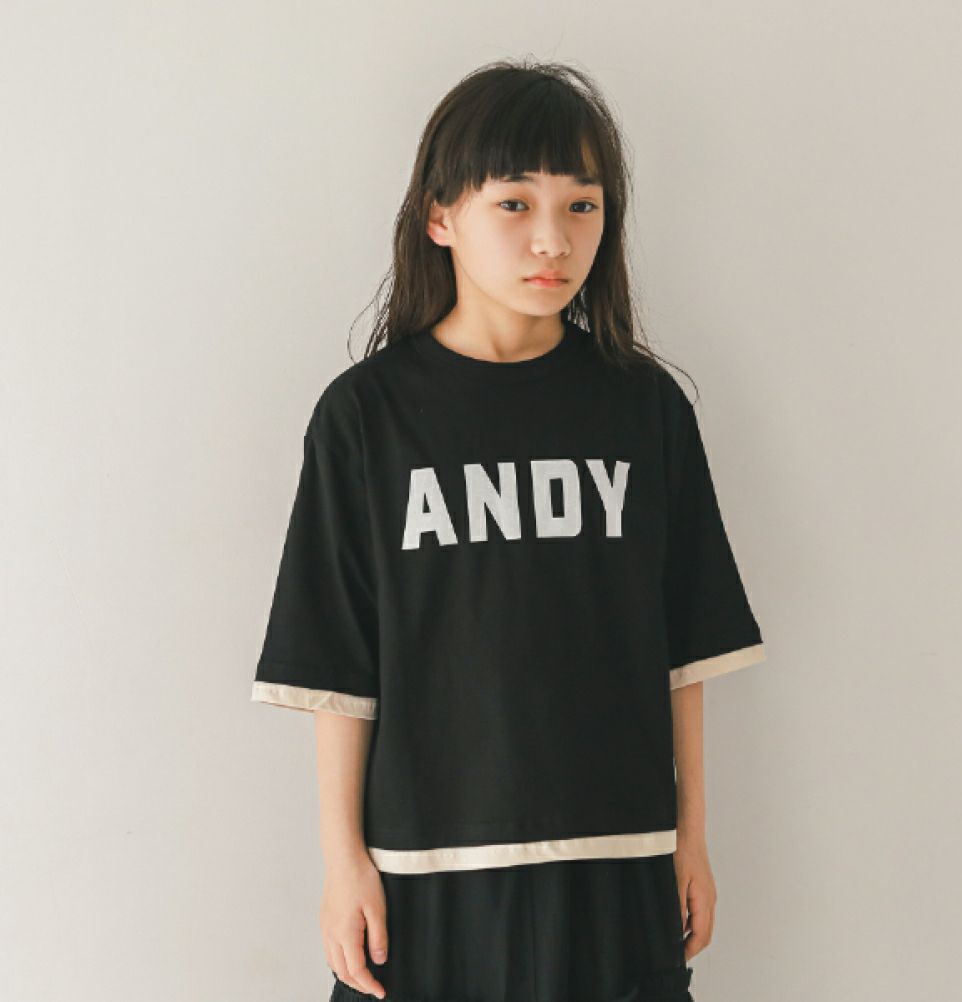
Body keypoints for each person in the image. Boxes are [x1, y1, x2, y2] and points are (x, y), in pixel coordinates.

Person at [251, 57, 766, 1002]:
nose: (553, 240)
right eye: (515, 204)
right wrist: (343, 862)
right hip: (425, 869)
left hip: (620, 855)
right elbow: (339, 665)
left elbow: (682, 649)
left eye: (583, 206)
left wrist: (692, 837)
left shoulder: (644, 408)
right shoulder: (367, 417)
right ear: (440, 217)